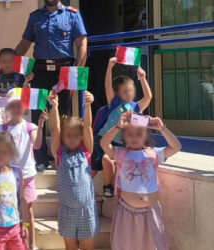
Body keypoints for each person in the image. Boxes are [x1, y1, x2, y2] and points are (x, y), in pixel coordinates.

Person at [15, 0, 88, 173]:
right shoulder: (35, 17)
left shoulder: (72, 14)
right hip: (39, 71)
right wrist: (12, 63)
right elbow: (24, 44)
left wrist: (78, 69)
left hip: (63, 72)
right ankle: (39, 158)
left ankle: (61, 156)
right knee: (38, 114)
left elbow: (82, 43)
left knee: (62, 114)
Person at [100, 112, 181, 250]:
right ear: (123, 137)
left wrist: (162, 129)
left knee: (152, 245)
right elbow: (104, 143)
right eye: (130, 134)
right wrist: (117, 126)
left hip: (151, 213)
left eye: (139, 133)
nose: (134, 137)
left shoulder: (153, 153)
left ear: (146, 136)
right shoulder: (119, 153)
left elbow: (176, 147)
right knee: (126, 245)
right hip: (127, 212)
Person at [0, 88, 45, 249]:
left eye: (19, 105)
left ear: (25, 107)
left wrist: (41, 124)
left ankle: (32, 243)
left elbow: (37, 145)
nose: (16, 109)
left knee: (27, 209)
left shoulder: (30, 126)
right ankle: (15, 242)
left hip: (26, 175)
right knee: (9, 209)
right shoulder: (1, 128)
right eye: (12, 106)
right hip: (6, 176)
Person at [92, 59, 152, 199]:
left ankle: (111, 186)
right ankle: (104, 186)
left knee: (108, 159)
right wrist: (109, 67)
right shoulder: (114, 103)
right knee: (95, 166)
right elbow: (107, 87)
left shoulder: (136, 107)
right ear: (117, 93)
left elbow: (148, 97)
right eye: (125, 91)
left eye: (131, 90)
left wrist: (142, 79)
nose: (129, 93)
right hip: (105, 140)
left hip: (123, 143)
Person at [48, 91, 100, 249]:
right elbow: (55, 130)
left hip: (86, 209)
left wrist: (88, 105)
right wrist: (55, 107)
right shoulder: (58, 153)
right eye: (68, 135)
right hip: (66, 210)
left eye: (76, 135)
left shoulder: (86, 152)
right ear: (63, 138)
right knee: (70, 246)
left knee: (87, 246)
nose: (72, 138)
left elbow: (88, 127)